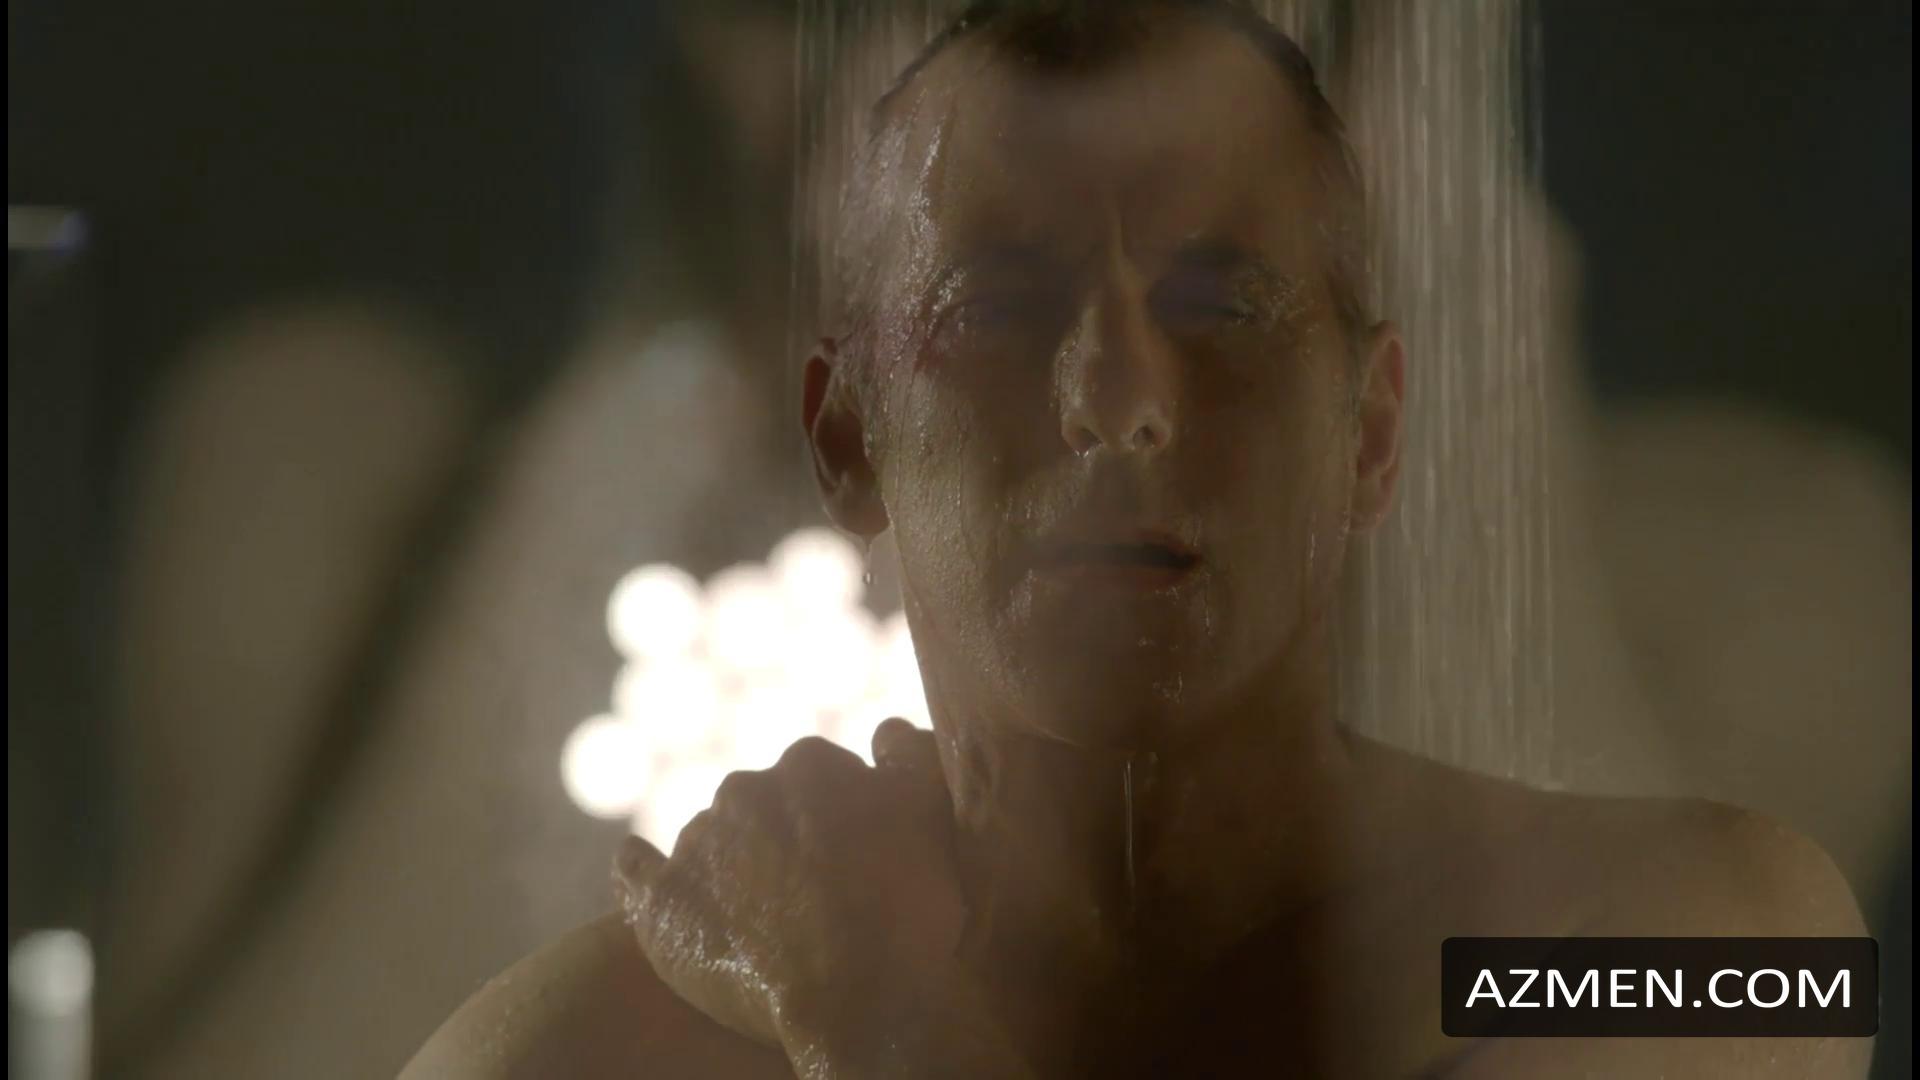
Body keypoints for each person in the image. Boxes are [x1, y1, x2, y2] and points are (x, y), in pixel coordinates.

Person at [404, 3, 1869, 1076]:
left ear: (1370, 433)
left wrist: (879, 1022)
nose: (1115, 402)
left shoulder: (1689, 950)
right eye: (995, 309)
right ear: (847, 438)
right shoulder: (575, 1055)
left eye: (1222, 305)